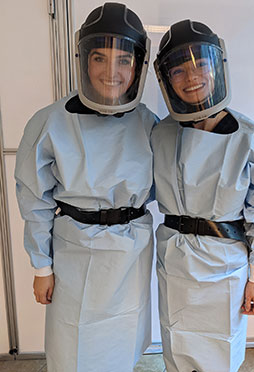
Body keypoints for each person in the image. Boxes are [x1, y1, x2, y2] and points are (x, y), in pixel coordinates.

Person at [15, 3, 157, 371]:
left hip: (131, 253)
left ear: (138, 65)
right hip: (75, 255)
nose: (112, 72)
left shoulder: (148, 123)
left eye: (123, 59)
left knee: (123, 345)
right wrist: (42, 267)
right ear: (83, 60)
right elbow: (35, 199)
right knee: (73, 348)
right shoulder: (50, 122)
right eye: (99, 57)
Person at [151, 20, 254, 372]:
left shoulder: (250, 139)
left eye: (200, 64)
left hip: (225, 266)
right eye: (178, 69)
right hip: (176, 261)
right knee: (177, 344)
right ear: (166, 79)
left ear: (217, 66)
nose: (191, 77)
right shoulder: (161, 133)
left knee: (219, 353)